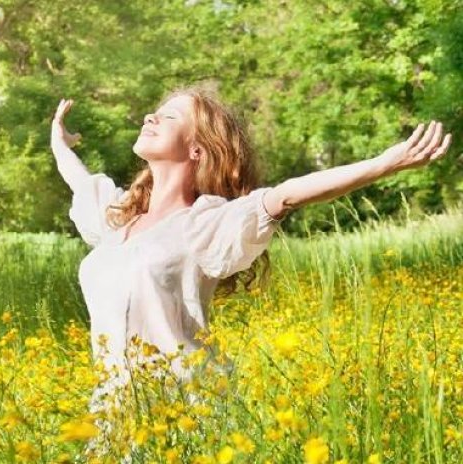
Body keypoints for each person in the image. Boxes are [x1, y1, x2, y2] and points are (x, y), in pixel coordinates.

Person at [49, 84, 452, 462]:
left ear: (197, 151)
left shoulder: (204, 224)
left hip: (184, 407)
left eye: (169, 117)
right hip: (113, 410)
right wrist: (58, 141)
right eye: (155, 113)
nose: (150, 118)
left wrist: (382, 165)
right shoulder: (119, 221)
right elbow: (81, 182)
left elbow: (287, 195)